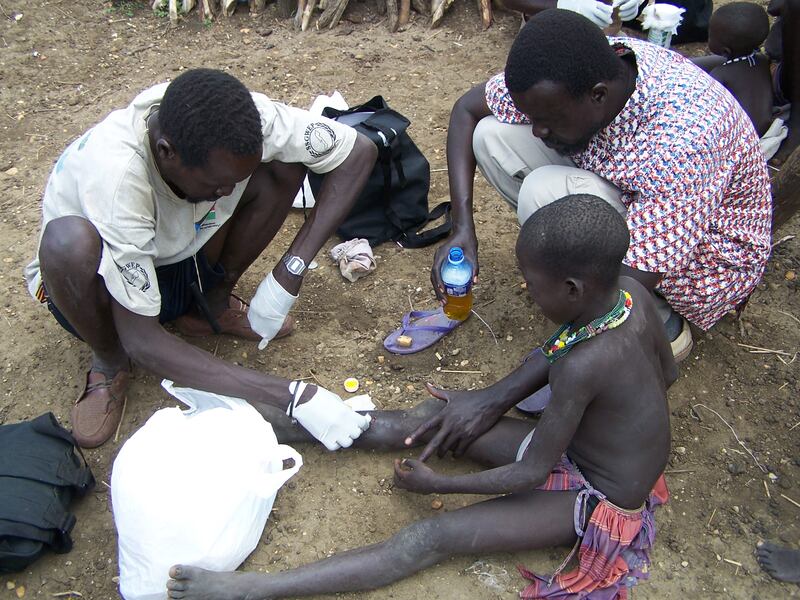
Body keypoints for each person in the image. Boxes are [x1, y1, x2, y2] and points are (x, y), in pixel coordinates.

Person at [164, 194, 675, 600]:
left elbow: (530, 474)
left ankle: (257, 589)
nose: (525, 290)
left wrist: (439, 485)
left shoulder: (583, 368)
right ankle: (274, 422)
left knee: (431, 539)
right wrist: (593, 415)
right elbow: (664, 372)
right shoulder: (631, 295)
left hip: (601, 499)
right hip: (585, 451)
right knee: (435, 415)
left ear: (571, 289)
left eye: (531, 284)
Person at [23, 68, 376, 449]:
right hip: (100, 291)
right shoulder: (116, 178)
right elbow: (142, 339)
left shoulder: (247, 120)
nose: (229, 192)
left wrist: (290, 270)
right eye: (216, 184)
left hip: (173, 253)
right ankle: (109, 362)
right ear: (166, 153)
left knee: (283, 163)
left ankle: (209, 304)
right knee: (66, 242)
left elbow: (359, 151)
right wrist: (292, 396)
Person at [431, 9, 771, 371]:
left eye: (549, 121)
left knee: (542, 194)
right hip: (636, 189)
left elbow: (642, 270)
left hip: (702, 258)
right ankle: (582, 270)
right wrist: (462, 227)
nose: (537, 132)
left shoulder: (686, 139)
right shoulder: (585, 65)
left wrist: (509, 389)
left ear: (597, 95)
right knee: (490, 135)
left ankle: (660, 323)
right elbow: (468, 109)